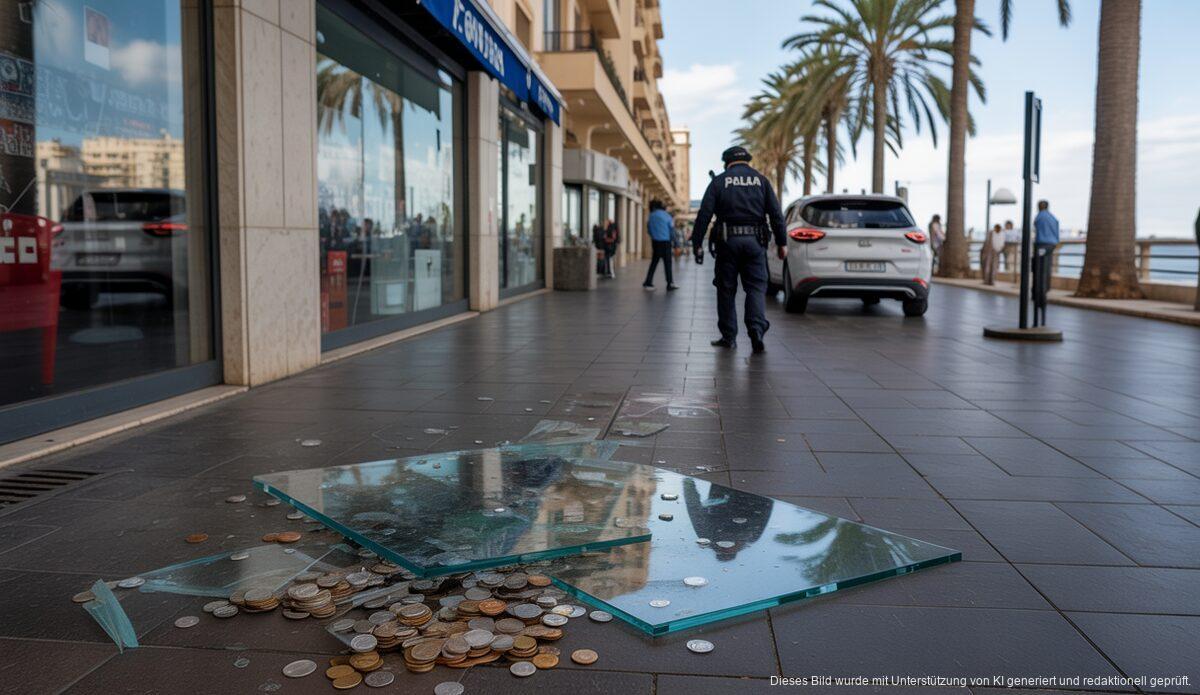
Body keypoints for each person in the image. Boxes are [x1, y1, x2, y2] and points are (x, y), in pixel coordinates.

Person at [690, 145, 786, 353]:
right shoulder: (761, 181)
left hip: (727, 242)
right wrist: (782, 243)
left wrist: (697, 244)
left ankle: (729, 336)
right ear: (747, 160)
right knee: (755, 287)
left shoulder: (719, 181)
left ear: (727, 162)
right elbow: (776, 215)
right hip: (755, 243)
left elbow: (704, 215)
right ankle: (756, 330)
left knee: (726, 289)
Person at [643, 199, 679, 290]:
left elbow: (649, 230)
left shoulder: (651, 216)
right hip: (665, 242)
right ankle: (670, 283)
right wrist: (676, 244)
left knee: (654, 263)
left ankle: (648, 282)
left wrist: (655, 236)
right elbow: (672, 231)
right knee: (668, 264)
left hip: (655, 242)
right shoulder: (667, 216)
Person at [1033, 200, 1060, 313]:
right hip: (1051, 245)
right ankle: (1045, 290)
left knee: (1038, 269)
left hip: (1042, 245)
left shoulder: (1040, 216)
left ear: (1039, 207)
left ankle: (1038, 294)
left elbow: (1036, 227)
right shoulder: (1053, 217)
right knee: (1047, 268)